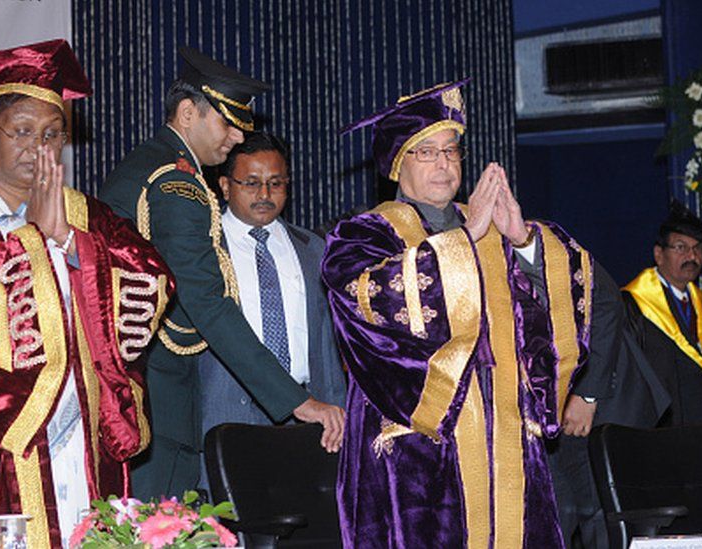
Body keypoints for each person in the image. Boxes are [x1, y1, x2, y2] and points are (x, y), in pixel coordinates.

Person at [0, 39, 173, 548]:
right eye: (22, 132)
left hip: (79, 432)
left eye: (52, 134)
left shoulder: (84, 213)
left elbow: (152, 277)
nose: (39, 148)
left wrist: (66, 241)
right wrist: (33, 241)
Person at [325, 79, 592, 548]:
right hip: (419, 451)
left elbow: (553, 315)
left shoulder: (492, 227)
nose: (444, 163)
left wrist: (524, 244)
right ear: (395, 164)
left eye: (451, 150)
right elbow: (374, 302)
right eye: (425, 152)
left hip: (505, 434)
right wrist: (463, 239)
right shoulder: (363, 236)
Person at [99, 47, 344, 500]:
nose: (234, 138)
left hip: (139, 387)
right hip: (161, 396)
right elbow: (207, 300)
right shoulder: (176, 184)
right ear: (189, 113)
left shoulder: (151, 165)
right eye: (226, 123)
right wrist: (297, 400)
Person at [199, 133, 345, 450]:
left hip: (310, 419)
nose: (264, 194)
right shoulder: (203, 250)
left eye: (276, 183)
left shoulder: (314, 249)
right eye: (251, 183)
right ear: (225, 186)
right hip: (225, 416)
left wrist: (339, 409)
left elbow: (327, 346)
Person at [547, 260, 670, 549]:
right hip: (547, 413)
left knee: (599, 519)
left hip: (596, 406)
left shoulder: (540, 241)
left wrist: (588, 393)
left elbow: (605, 302)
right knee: (556, 518)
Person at [622, 201, 702, 427]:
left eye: (697, 248)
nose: (691, 256)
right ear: (659, 254)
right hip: (660, 429)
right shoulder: (633, 304)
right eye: (681, 247)